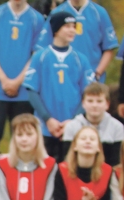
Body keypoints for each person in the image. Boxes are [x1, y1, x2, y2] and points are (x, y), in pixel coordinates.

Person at [24, 11, 92, 159]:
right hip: (46, 128)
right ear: (56, 30)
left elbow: (88, 94)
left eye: (74, 26)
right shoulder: (40, 57)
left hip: (73, 127)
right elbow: (31, 91)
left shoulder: (81, 59)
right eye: (67, 26)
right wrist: (47, 119)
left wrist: (73, 121)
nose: (72, 30)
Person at [0, 0, 46, 147]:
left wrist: (18, 81)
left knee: (23, 137)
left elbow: (37, 54)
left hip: (24, 90)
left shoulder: (37, 19)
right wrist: (3, 79)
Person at [33, 0, 117, 84]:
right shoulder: (58, 13)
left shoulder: (99, 12)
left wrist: (97, 73)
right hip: (62, 78)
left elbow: (109, 47)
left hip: (92, 79)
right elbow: (42, 48)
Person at [61, 82, 124, 166]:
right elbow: (67, 159)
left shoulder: (117, 127)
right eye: (90, 101)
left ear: (107, 104)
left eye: (99, 101)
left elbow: (117, 162)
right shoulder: (72, 126)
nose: (94, 105)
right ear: (83, 103)